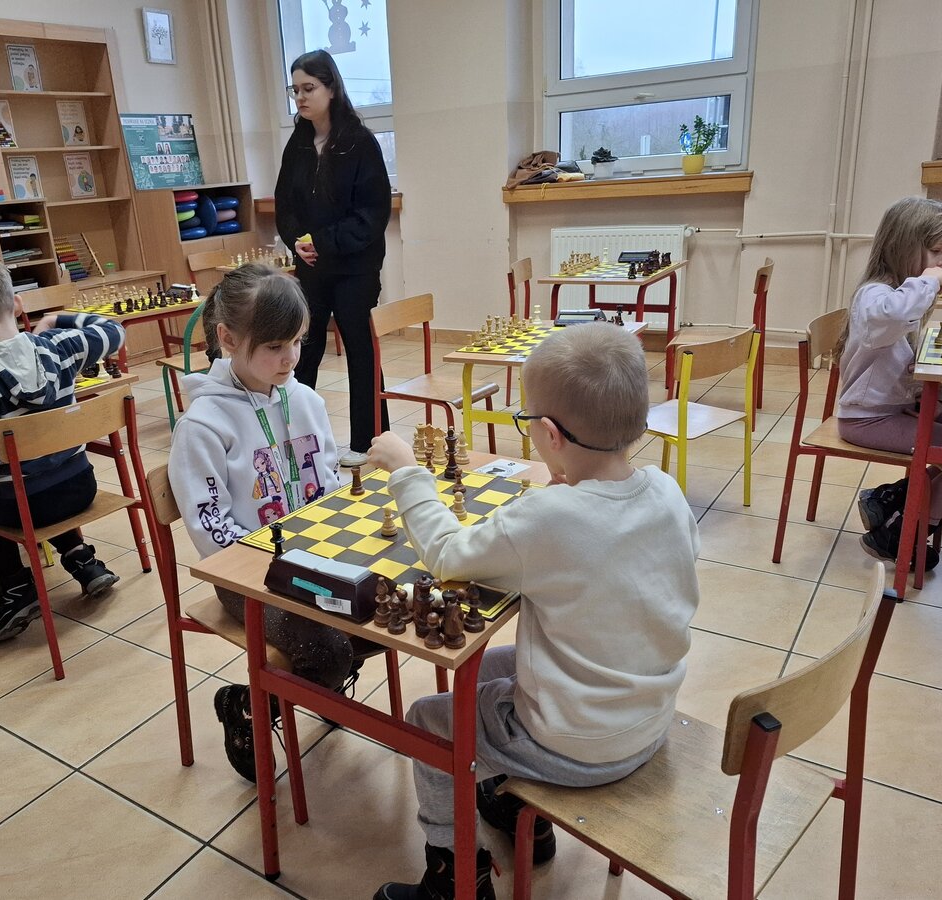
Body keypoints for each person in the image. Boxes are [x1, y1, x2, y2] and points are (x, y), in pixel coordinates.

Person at [368, 325, 701, 900]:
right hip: (648, 718)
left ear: (549, 434)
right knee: (497, 666)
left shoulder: (549, 518)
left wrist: (406, 470)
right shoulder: (667, 493)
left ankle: (452, 876)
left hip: (576, 744)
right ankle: (520, 813)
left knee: (429, 717)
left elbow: (446, 553)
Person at [168, 264, 374, 782]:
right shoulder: (202, 426)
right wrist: (281, 569)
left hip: (318, 557)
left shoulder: (305, 400)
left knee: (380, 611)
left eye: (298, 342)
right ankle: (248, 704)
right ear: (227, 339)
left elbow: (328, 480)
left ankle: (322, 683)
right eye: (275, 346)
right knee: (327, 646)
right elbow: (211, 530)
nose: (290, 358)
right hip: (250, 580)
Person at [0, 250, 123, 643]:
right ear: (18, 304)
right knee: (38, 481)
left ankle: (15, 587)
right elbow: (114, 330)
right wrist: (58, 319)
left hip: (22, 508)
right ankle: (82, 560)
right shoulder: (60, 345)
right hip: (81, 487)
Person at [837, 196, 942, 571]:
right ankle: (904, 530)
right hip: (867, 418)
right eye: (936, 251)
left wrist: (928, 394)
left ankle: (893, 499)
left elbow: (906, 360)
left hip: (895, 409)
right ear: (903, 246)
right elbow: (894, 316)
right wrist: (929, 282)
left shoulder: (900, 293)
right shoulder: (875, 295)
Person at [274, 48, 391, 468]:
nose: (301, 98)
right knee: (303, 347)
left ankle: (369, 441)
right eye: (295, 90)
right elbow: (285, 204)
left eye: (309, 88)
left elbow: (372, 214)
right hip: (313, 266)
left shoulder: (359, 142)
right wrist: (297, 242)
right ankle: (298, 439)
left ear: (331, 88)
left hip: (355, 266)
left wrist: (323, 241)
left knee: (360, 349)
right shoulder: (298, 143)